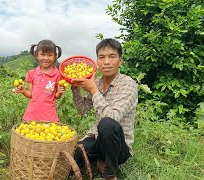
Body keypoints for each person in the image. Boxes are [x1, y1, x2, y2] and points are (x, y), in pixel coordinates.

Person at [71, 38, 138, 180]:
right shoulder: (97, 82)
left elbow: (113, 118)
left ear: (120, 61)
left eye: (112, 56)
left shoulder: (128, 84)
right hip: (97, 139)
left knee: (107, 123)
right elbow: (82, 109)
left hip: (119, 147)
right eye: (101, 57)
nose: (106, 61)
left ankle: (110, 174)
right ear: (97, 61)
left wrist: (94, 90)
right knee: (73, 157)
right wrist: (75, 88)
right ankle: (100, 161)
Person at [15, 39, 66, 122]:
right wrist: (23, 90)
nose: (46, 58)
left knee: (50, 134)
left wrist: (60, 92)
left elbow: (56, 96)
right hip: (31, 115)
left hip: (49, 116)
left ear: (55, 56)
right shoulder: (32, 73)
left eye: (49, 55)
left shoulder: (58, 75)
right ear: (37, 55)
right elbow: (30, 94)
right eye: (42, 54)